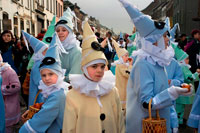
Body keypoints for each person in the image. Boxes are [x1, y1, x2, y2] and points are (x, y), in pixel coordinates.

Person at [118, 0, 193, 132]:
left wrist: (178, 88)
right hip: (145, 127)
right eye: (164, 36)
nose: (167, 39)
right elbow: (147, 103)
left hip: (159, 125)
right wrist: (172, 92)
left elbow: (160, 90)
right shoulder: (143, 64)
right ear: (154, 40)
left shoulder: (157, 61)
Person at [62, 21, 125, 133]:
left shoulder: (112, 91)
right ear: (84, 68)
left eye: (102, 66)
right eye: (94, 66)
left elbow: (119, 122)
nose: (99, 70)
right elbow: (69, 128)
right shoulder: (73, 96)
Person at [19, 31, 69, 133]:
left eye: (51, 74)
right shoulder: (58, 90)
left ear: (59, 74)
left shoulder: (56, 95)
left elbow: (40, 121)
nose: (46, 78)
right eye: (44, 75)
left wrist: (24, 129)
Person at [55, 7, 82, 82]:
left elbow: (74, 76)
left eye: (64, 30)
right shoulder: (55, 48)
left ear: (69, 32)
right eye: (58, 30)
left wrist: (57, 79)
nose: (60, 33)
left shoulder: (77, 52)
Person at [22, 31, 48, 106]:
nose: (48, 52)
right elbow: (39, 82)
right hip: (39, 94)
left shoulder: (43, 62)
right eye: (45, 50)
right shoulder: (38, 65)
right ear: (40, 53)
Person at [0, 53, 21, 133]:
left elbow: (16, 86)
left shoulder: (9, 71)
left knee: (7, 128)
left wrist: (2, 89)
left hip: (8, 106)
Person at [112, 39, 133, 112]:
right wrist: (130, 65)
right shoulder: (121, 66)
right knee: (122, 108)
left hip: (123, 89)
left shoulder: (122, 65)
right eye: (126, 56)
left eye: (128, 55)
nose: (127, 57)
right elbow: (127, 74)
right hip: (122, 90)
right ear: (121, 57)